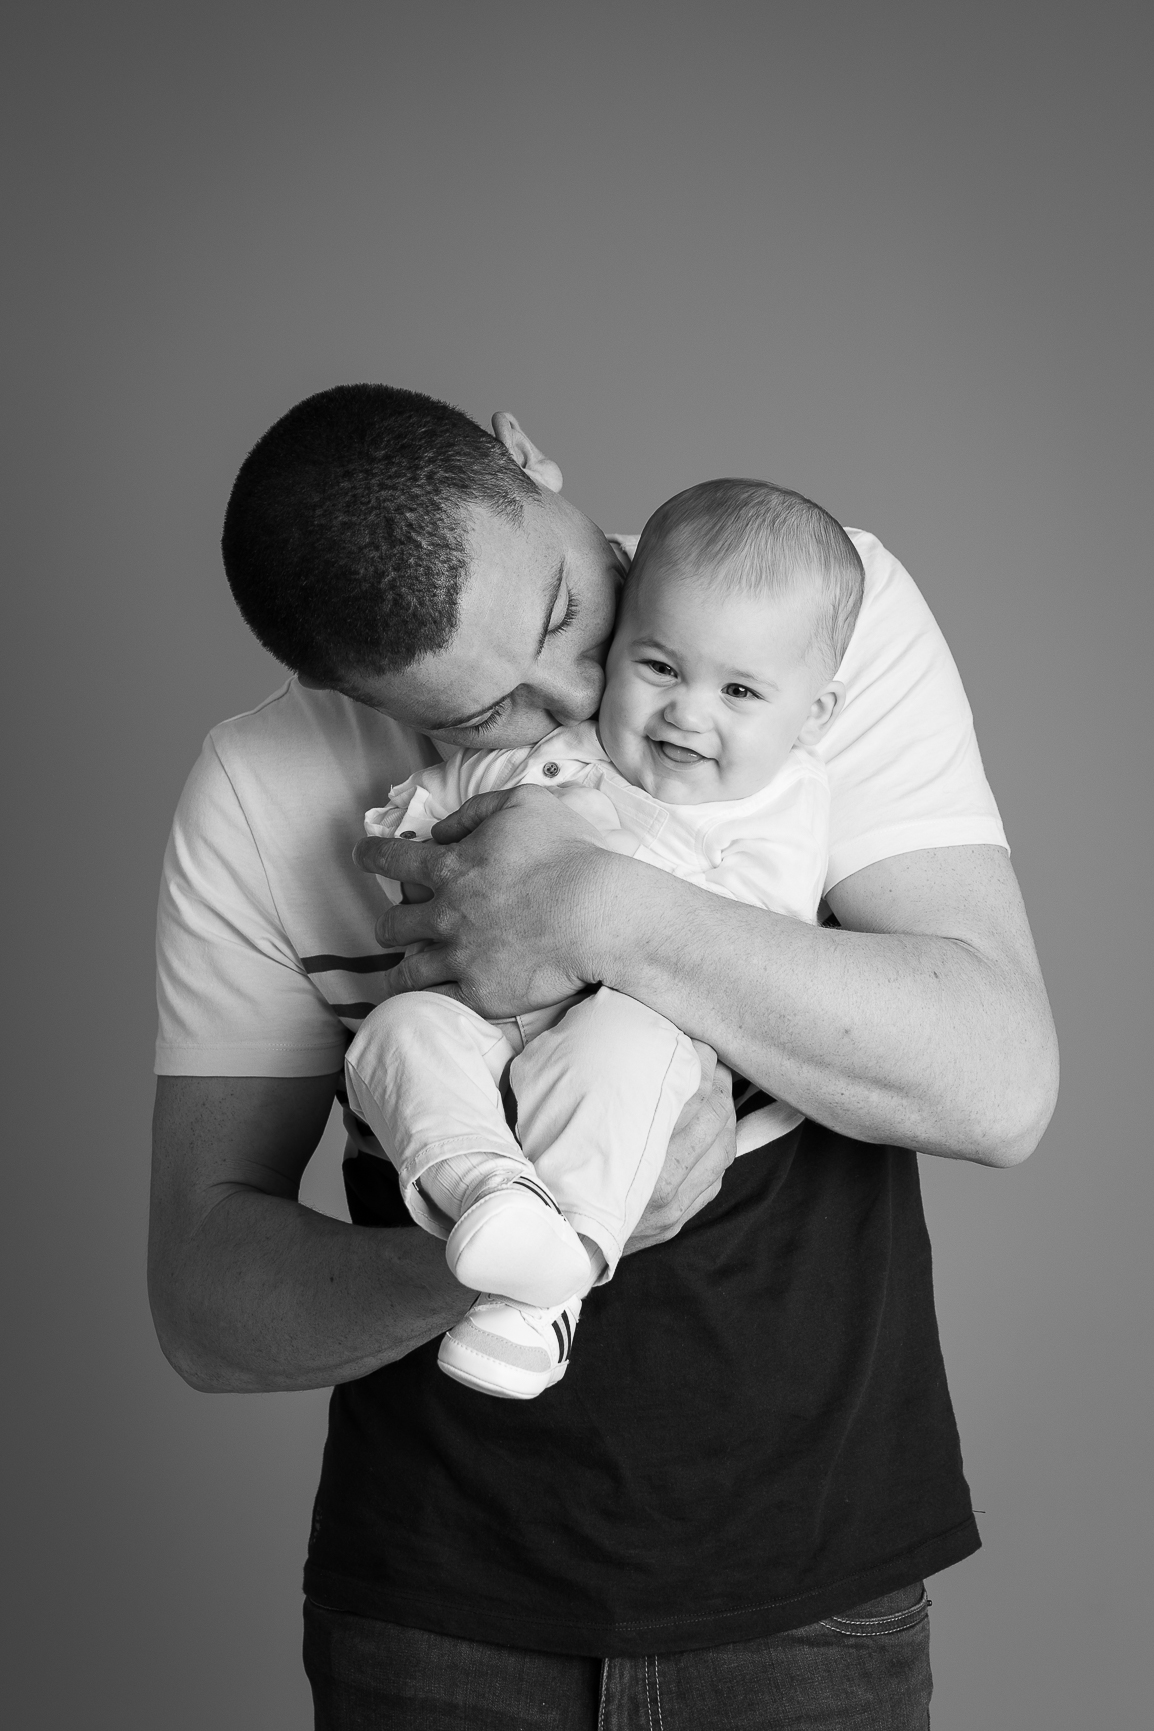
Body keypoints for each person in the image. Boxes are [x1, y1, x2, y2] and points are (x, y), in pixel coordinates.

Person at [149, 384, 1058, 1728]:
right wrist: (491, 1250)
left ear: (528, 462)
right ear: (340, 695)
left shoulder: (795, 614)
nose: (577, 697)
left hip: (806, 1583)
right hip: (434, 1605)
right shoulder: (258, 785)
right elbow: (204, 1303)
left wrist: (585, 907)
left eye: (565, 618)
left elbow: (999, 1081)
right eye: (479, 716)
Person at [344, 477, 863, 1400]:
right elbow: (459, 808)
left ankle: (547, 1286)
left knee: (615, 1059)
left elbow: (742, 936)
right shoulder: (565, 746)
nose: (687, 713)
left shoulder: (784, 801)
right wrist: (419, 830)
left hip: (633, 1024)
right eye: (659, 668)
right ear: (616, 647)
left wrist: (582, 871)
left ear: (810, 714)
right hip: (490, 1013)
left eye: (740, 690)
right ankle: (491, 1193)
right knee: (394, 1038)